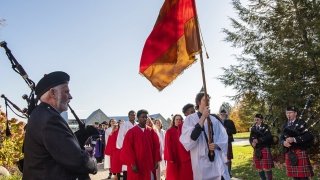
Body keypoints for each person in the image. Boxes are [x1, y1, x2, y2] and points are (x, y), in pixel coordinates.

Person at [23, 71, 97, 180]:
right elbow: (76, 160)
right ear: (52, 93)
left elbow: (57, 148)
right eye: (66, 91)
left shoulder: (42, 114)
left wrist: (78, 137)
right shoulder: (50, 119)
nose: (70, 97)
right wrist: (93, 163)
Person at [180, 92, 230, 180]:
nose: (208, 101)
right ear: (198, 102)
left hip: (216, 159)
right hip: (201, 162)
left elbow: (223, 137)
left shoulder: (214, 120)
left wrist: (217, 145)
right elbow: (192, 138)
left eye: (209, 100)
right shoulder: (190, 119)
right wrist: (203, 117)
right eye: (205, 100)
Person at [120, 109, 161, 180]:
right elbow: (127, 149)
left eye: (146, 117)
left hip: (149, 162)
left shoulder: (151, 131)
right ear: (138, 118)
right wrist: (132, 163)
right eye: (143, 117)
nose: (145, 119)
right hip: (137, 163)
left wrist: (156, 160)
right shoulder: (131, 132)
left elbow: (156, 147)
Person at [280, 106, 314, 180]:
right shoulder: (284, 125)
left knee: (303, 177)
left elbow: (309, 136)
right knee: (295, 176)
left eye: (290, 113)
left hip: (299, 151)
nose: (288, 114)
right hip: (289, 152)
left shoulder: (301, 123)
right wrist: (283, 142)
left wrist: (294, 139)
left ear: (295, 113)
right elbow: (281, 138)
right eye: (287, 113)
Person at [249, 114, 274, 180]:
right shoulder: (253, 128)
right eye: (255, 119)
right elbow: (250, 138)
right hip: (256, 149)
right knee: (259, 167)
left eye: (258, 119)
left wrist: (259, 140)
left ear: (261, 120)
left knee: (267, 167)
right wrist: (252, 143)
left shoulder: (265, 127)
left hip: (264, 148)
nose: (256, 121)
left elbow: (269, 137)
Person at [116, 110, 137, 180]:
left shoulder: (137, 124)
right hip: (127, 148)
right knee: (127, 167)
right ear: (128, 116)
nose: (133, 116)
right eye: (131, 115)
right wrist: (125, 148)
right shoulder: (124, 125)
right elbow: (120, 137)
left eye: (134, 115)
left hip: (137, 148)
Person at [219, 109, 237, 178]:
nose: (223, 115)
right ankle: (223, 172)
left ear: (226, 114)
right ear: (220, 114)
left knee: (228, 158)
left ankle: (229, 172)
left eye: (224, 114)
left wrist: (227, 130)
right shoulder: (218, 122)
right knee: (221, 157)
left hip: (228, 141)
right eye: (221, 114)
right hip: (220, 142)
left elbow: (234, 131)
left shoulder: (230, 121)